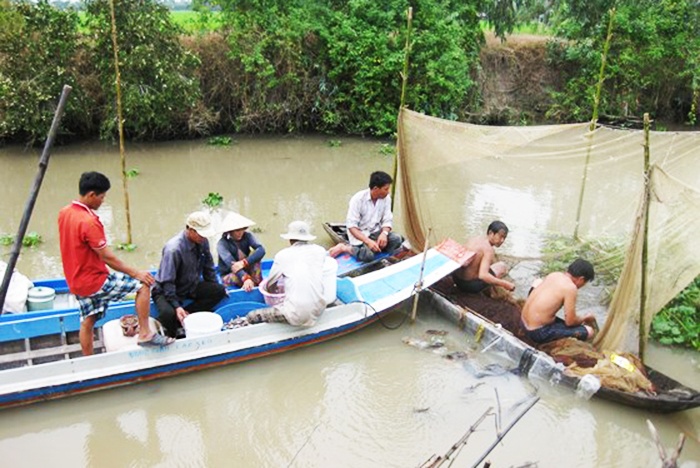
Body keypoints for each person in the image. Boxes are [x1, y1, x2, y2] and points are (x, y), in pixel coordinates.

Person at [57, 171, 174, 355]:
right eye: (102, 197)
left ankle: (89, 362)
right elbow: (107, 257)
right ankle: (145, 334)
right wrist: (135, 273)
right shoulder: (89, 222)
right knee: (143, 285)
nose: (103, 201)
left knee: (88, 320)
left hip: (75, 280)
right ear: (91, 195)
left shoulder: (65, 213)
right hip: (93, 280)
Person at [152, 211, 228, 337]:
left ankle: (187, 315)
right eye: (201, 234)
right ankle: (173, 330)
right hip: (165, 290)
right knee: (168, 314)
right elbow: (168, 282)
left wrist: (214, 286)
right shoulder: (174, 249)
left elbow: (208, 268)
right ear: (190, 230)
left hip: (190, 285)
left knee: (219, 291)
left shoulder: (203, 242)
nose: (204, 237)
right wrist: (176, 307)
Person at [242, 221, 329, 327]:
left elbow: (270, 285)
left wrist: (275, 292)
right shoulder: (320, 251)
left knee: (252, 316)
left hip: (297, 314)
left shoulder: (283, 255)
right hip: (319, 308)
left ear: (290, 239)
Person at [329, 170, 403, 262]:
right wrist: (367, 241)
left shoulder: (386, 198)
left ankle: (377, 251)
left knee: (397, 239)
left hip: (375, 231)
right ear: (376, 188)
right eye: (386, 189)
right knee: (368, 256)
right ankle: (345, 248)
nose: (388, 192)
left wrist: (384, 234)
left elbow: (387, 219)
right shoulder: (358, 199)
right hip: (360, 234)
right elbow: (352, 227)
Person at [520, 258, 597, 344]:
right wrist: (585, 317)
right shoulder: (571, 288)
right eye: (584, 283)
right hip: (536, 332)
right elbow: (570, 322)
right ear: (581, 279)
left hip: (522, 323)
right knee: (589, 331)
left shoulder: (554, 275)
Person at [452, 220, 515, 293]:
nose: (502, 240)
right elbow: (483, 275)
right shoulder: (488, 249)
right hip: (468, 286)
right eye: (500, 236)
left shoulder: (474, 239)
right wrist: (505, 284)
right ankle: (491, 291)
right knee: (502, 267)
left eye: (504, 238)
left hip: (456, 279)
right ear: (491, 233)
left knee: (487, 264)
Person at [216, 212, 266, 292]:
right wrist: (245, 278)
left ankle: (258, 283)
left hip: (244, 267)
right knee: (239, 278)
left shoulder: (248, 236)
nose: (240, 233)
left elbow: (261, 250)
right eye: (237, 231)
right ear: (230, 231)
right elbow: (232, 265)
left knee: (256, 256)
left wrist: (244, 262)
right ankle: (251, 282)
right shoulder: (222, 244)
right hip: (230, 273)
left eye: (242, 229)